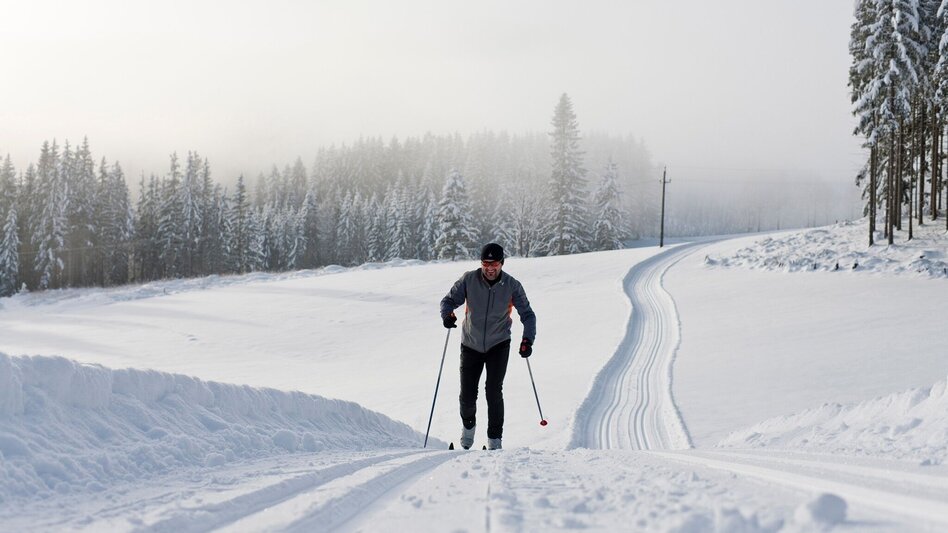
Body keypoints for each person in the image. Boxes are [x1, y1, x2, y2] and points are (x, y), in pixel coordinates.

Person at [440, 242, 536, 450]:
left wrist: (527, 340)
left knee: (493, 392)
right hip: (470, 344)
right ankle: (468, 428)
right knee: (467, 396)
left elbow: (528, 315)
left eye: (494, 264)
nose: (489, 268)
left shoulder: (512, 285)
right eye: (485, 264)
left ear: (502, 263)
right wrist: (447, 315)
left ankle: (494, 440)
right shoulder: (469, 280)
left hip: (498, 344)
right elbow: (448, 301)